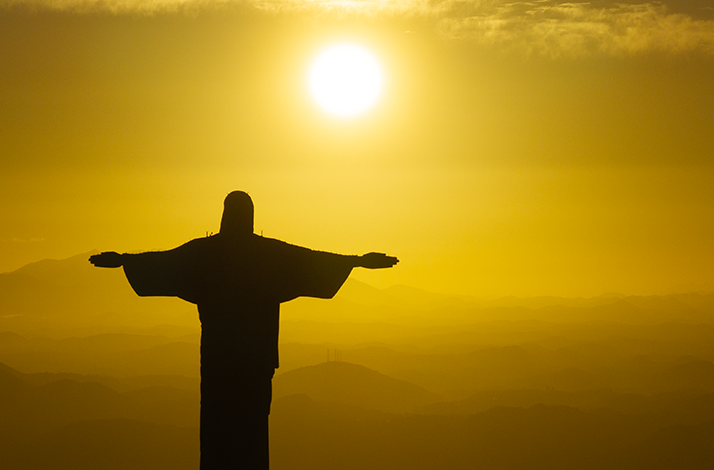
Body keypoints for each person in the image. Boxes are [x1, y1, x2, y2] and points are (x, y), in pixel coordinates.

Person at [89, 191, 398, 469]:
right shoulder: (268, 255)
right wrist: (357, 261)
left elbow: (165, 263)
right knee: (251, 432)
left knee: (217, 430)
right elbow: (310, 261)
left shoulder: (206, 254)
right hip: (254, 363)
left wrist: (123, 261)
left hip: (218, 361)